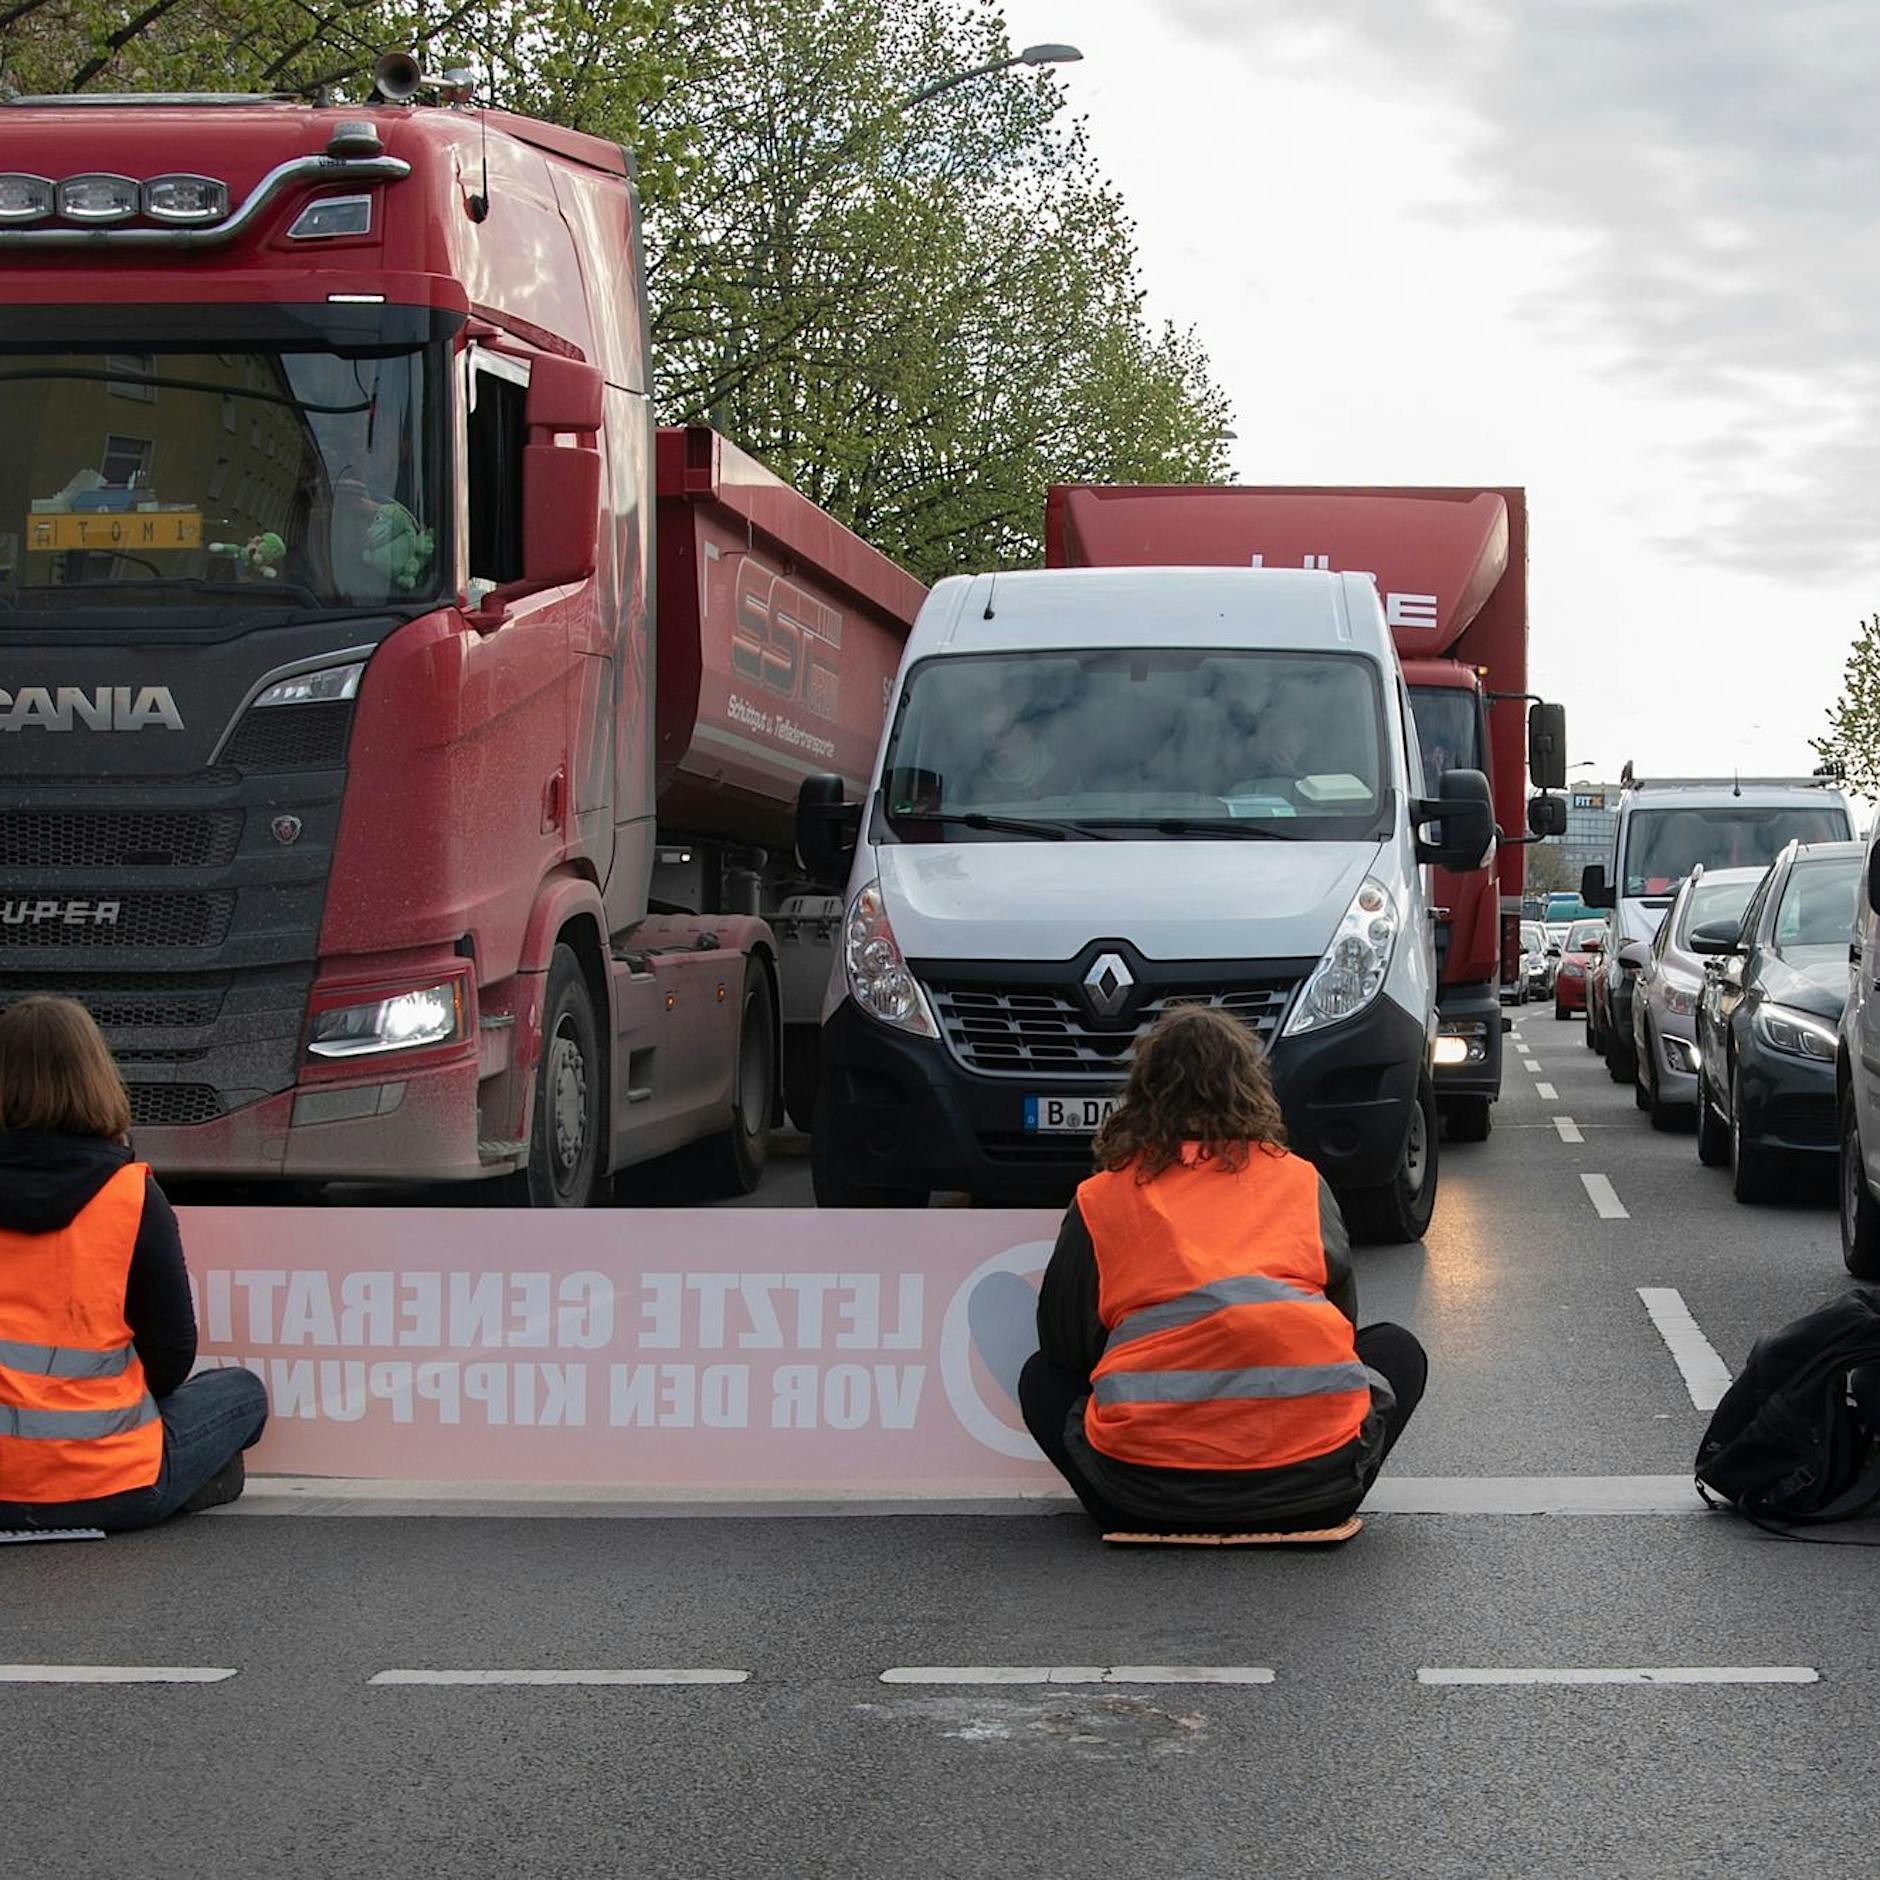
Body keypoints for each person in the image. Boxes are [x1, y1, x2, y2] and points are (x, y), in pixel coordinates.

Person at [1018, 1005, 1426, 1533]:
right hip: (1315, 1490)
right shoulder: (1299, 1181)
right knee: (1397, 1349)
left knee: (1040, 1377)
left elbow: (1063, 1345)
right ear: (1251, 1089)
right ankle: (1307, 1476)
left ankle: (1148, 1472)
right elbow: (1342, 1333)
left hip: (1139, 1494)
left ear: (1142, 1094)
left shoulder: (1103, 1196)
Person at [0, 996, 268, 1533]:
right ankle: (186, 1481)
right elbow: (170, 1357)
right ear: (95, 1078)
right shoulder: (131, 1195)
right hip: (110, 1486)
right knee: (243, 1392)